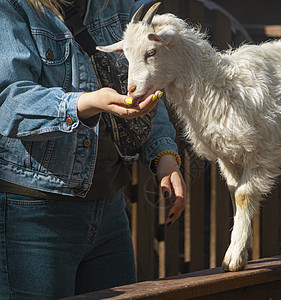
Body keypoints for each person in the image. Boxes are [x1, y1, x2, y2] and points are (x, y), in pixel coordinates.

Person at [0, 0, 186, 298]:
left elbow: (150, 84)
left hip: (110, 209)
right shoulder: (12, 7)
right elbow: (9, 101)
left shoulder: (121, 5)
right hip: (35, 215)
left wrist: (164, 157)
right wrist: (83, 104)